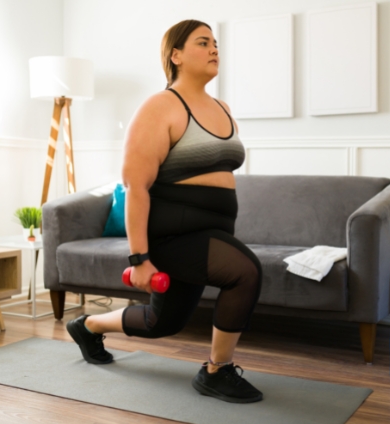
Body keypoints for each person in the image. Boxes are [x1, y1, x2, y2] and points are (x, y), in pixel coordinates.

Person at [65, 19, 264, 404]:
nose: (214, 49)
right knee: (245, 272)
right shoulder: (160, 107)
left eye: (215, 43)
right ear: (176, 55)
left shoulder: (222, 108)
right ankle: (216, 371)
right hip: (174, 234)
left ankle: (87, 326)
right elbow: (135, 187)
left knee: (162, 323)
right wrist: (139, 258)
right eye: (203, 42)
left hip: (212, 231)